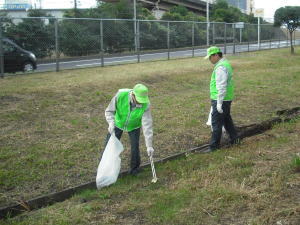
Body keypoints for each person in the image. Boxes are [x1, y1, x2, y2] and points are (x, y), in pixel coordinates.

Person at [104, 84, 154, 175]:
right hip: (117, 123)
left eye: (142, 101)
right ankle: (105, 169)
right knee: (109, 145)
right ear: (133, 95)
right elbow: (109, 111)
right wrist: (111, 122)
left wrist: (149, 145)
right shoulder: (120, 95)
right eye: (139, 100)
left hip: (134, 126)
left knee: (135, 147)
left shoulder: (146, 104)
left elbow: (147, 125)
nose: (140, 103)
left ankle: (134, 169)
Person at [205, 46, 239, 151]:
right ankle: (235, 139)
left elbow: (221, 86)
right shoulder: (225, 64)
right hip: (226, 99)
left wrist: (219, 103)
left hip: (221, 100)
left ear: (216, 55)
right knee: (226, 120)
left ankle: (214, 147)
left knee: (216, 123)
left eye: (210, 57)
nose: (209, 60)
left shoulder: (220, 67)